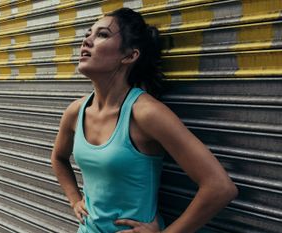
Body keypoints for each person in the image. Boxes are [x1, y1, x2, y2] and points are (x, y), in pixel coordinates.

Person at [51, 7, 238, 233]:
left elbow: (220, 187)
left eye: (102, 35)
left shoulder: (146, 113)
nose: (86, 41)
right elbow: (59, 158)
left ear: (129, 56)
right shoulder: (76, 110)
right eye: (87, 33)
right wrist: (74, 199)